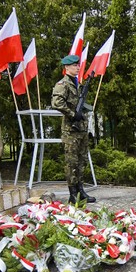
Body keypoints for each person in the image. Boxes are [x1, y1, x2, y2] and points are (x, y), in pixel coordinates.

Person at [51, 54, 96, 205]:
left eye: (78, 65)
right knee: (71, 162)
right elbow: (56, 103)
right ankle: (73, 194)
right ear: (66, 67)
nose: (78, 67)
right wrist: (72, 114)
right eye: (75, 65)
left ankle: (81, 191)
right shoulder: (63, 84)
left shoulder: (77, 83)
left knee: (81, 161)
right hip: (70, 130)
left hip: (81, 130)